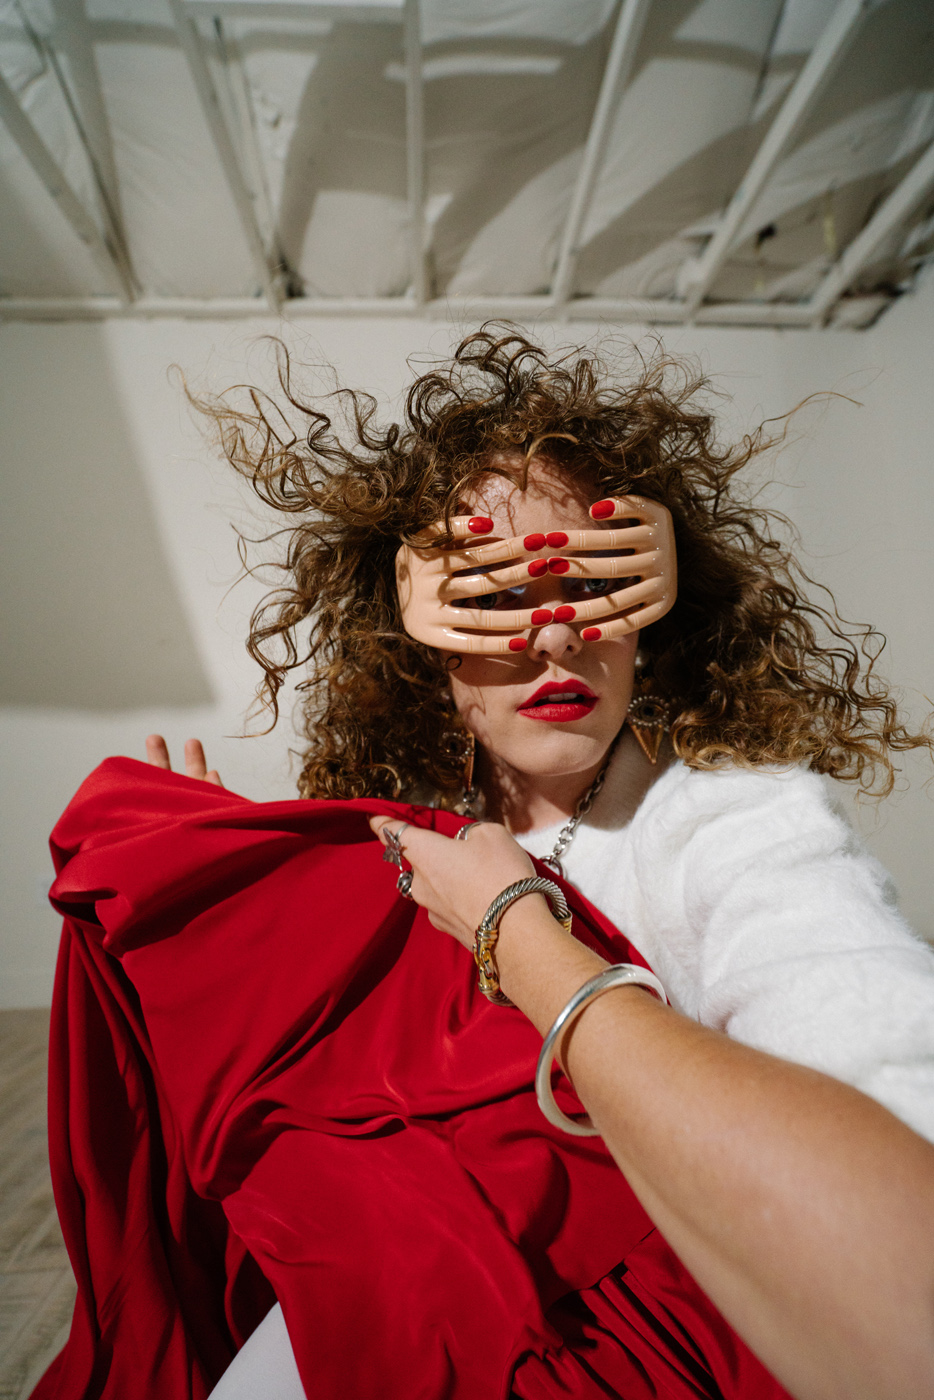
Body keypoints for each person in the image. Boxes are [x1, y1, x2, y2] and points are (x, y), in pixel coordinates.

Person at [39, 329, 934, 1400]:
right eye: (495, 595)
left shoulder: (742, 826)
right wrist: (221, 910)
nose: (554, 637)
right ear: (417, 639)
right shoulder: (427, 811)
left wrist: (516, 929)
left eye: (596, 582)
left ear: (656, 613)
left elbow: (902, 1293)